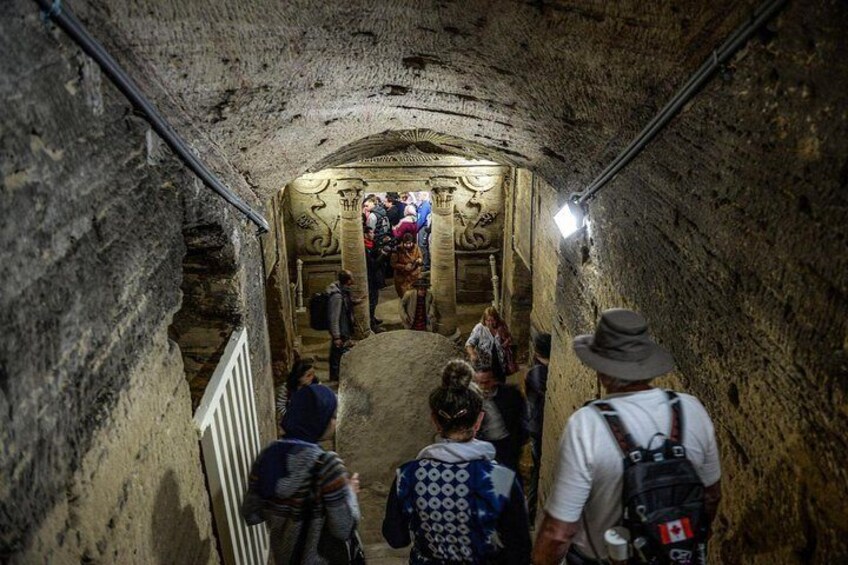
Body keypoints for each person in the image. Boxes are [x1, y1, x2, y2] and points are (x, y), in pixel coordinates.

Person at [533, 309, 722, 565]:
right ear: (647, 367)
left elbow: (558, 532)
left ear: (600, 371)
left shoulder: (586, 425)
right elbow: (710, 496)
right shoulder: (692, 410)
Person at [382, 360, 531, 564]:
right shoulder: (501, 477)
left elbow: (396, 538)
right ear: (479, 421)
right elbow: (519, 548)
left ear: (435, 420)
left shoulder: (408, 476)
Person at [242, 384, 362, 564]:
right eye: (332, 416)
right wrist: (350, 493)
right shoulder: (327, 465)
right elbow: (343, 529)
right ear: (319, 420)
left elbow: (251, 514)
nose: (334, 422)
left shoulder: (268, 456)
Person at [472, 364, 527, 471]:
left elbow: (521, 416)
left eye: (486, 382)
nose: (482, 386)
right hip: (484, 446)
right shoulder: (471, 399)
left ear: (494, 380)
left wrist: (518, 441)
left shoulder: (510, 394)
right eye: (478, 383)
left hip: (506, 445)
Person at [524, 330, 552, 524]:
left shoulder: (537, 370)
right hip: (538, 427)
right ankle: (531, 513)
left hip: (536, 425)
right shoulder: (538, 374)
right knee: (536, 471)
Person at [465, 306, 517, 383]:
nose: (490, 323)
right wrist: (472, 354)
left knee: (500, 385)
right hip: (484, 366)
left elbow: (509, 338)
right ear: (484, 320)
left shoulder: (501, 327)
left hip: (500, 365)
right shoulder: (479, 328)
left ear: (496, 319)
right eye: (487, 320)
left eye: (492, 320)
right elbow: (469, 344)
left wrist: (507, 342)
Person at [327, 270, 356, 381]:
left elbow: (346, 305)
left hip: (344, 329)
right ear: (348, 281)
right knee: (336, 355)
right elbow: (334, 317)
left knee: (338, 353)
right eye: (351, 278)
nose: (353, 280)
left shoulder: (343, 292)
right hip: (340, 331)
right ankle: (335, 376)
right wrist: (336, 336)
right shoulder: (337, 297)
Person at [275, 358, 316, 425]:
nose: (312, 378)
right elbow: (280, 407)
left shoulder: (314, 386)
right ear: (299, 376)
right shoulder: (286, 388)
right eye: (308, 375)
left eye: (313, 374)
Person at [364, 226, 388, 332]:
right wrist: (382, 255)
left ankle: (372, 318)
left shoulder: (371, 245)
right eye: (371, 232)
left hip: (374, 278)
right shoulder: (364, 248)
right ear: (365, 234)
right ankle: (371, 325)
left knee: (374, 300)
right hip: (369, 278)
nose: (373, 234)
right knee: (371, 302)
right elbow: (373, 265)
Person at [390, 233, 423, 298]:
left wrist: (419, 260)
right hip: (402, 278)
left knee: (416, 296)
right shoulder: (398, 249)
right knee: (405, 297)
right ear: (403, 242)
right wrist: (404, 267)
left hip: (415, 276)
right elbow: (393, 263)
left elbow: (420, 257)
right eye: (406, 244)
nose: (408, 245)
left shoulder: (416, 247)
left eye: (410, 243)